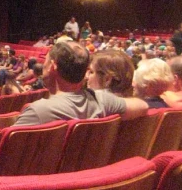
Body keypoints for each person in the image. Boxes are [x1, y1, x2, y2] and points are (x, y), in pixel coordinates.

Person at [15, 41, 148, 126]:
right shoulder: (102, 100)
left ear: (52, 66)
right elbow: (143, 106)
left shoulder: (37, 112)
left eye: (46, 61)